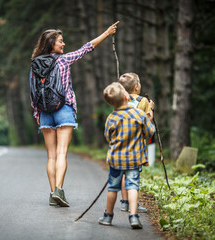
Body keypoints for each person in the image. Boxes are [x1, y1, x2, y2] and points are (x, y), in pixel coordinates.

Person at [31, 21, 120, 207]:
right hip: (64, 108)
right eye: (60, 41)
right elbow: (87, 48)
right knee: (62, 153)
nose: (63, 44)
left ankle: (52, 194)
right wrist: (106, 34)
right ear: (51, 44)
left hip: (44, 112)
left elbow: (33, 91)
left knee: (51, 156)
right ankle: (59, 190)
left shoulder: (35, 64)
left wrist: (37, 113)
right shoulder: (63, 60)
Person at [99, 82, 155, 229]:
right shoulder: (139, 115)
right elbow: (150, 132)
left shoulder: (111, 118)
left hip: (116, 160)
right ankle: (134, 216)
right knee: (133, 187)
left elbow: (108, 137)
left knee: (112, 188)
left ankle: (108, 216)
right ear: (126, 96)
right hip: (134, 159)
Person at [118, 72, 154, 213]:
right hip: (136, 145)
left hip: (121, 144)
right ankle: (134, 202)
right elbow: (148, 120)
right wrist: (151, 109)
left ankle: (124, 202)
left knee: (123, 174)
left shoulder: (119, 100)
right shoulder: (143, 101)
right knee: (134, 175)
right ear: (136, 87)